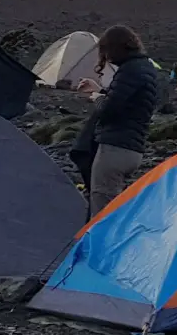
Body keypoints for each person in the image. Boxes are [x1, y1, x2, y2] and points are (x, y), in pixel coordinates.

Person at [69, 25, 164, 218]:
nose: (105, 57)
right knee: (114, 204)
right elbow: (127, 103)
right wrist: (101, 91)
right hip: (133, 148)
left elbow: (109, 110)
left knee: (102, 207)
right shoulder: (145, 68)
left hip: (114, 149)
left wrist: (96, 97)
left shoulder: (129, 70)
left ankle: (100, 247)